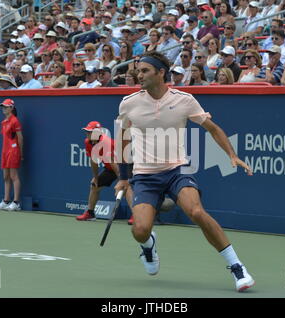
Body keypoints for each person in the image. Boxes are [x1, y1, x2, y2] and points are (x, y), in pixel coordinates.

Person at [114, 51, 255, 292]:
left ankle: (237, 267)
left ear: (161, 73)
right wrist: (124, 178)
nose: (139, 74)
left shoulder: (185, 100)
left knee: (197, 211)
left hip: (176, 171)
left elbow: (213, 128)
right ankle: (148, 246)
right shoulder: (129, 103)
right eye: (138, 70)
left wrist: (231, 155)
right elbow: (124, 138)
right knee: (140, 230)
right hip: (145, 176)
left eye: (145, 70)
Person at [76, 121, 133, 223]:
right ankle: (90, 213)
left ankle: (136, 216)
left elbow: (113, 163)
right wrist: (96, 177)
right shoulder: (88, 142)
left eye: (90, 132)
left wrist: (122, 180)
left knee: (126, 187)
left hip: (123, 164)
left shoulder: (105, 142)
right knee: (94, 185)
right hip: (111, 167)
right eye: (87, 132)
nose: (87, 134)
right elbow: (93, 161)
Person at [0, 99, 24, 212]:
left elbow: (20, 138)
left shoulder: (15, 121)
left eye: (6, 107)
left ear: (11, 108)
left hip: (13, 150)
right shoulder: (3, 122)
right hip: (5, 151)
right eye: (3, 107)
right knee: (5, 177)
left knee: (13, 176)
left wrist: (21, 152)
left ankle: (16, 202)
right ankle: (6, 201)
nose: (4, 109)